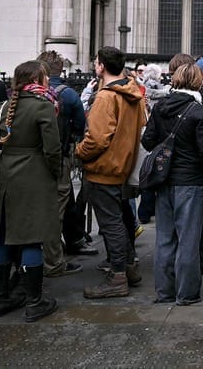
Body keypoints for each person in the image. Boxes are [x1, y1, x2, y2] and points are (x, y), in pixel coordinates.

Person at [0, 60, 62, 321]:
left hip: (5, 177)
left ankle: (1, 299)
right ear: (37, 79)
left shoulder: (6, 106)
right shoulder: (43, 106)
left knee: (3, 236)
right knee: (32, 238)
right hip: (34, 177)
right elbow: (52, 149)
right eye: (45, 76)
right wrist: (54, 173)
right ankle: (34, 301)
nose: (48, 80)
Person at [75, 46, 147, 299]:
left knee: (112, 224)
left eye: (96, 61)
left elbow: (96, 139)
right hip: (123, 166)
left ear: (101, 66)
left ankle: (117, 277)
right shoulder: (133, 93)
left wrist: (79, 151)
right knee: (121, 220)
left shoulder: (106, 97)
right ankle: (129, 268)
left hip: (104, 169)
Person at [142, 63, 203, 306]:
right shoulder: (199, 112)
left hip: (163, 180)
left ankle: (164, 292)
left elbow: (147, 140)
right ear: (197, 82)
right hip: (191, 182)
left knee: (164, 238)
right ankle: (187, 293)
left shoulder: (160, 107)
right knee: (188, 239)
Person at [36, 50, 89, 277]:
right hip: (60, 159)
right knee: (56, 209)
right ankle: (53, 260)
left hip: (28, 162)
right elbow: (80, 127)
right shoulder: (68, 95)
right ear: (60, 70)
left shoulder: (19, 95)